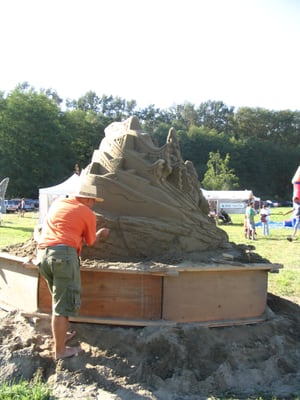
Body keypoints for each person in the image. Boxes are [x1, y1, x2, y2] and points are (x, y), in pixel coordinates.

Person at [37, 179, 110, 360]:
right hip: (63, 257)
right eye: (92, 200)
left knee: (58, 298)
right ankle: (60, 351)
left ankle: (61, 336)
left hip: (43, 255)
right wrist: (101, 235)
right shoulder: (86, 212)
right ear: (86, 199)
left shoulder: (59, 203)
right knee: (62, 306)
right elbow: (91, 242)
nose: (93, 204)